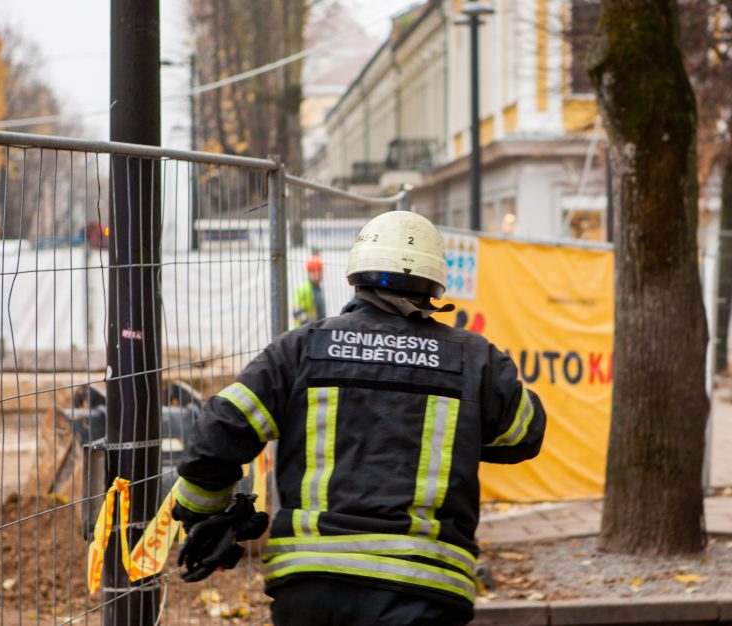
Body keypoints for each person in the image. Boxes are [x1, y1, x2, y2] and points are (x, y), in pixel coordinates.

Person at [173, 210, 546, 625]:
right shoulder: (476, 359)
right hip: (423, 588)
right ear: (435, 284)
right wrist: (463, 424)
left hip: (310, 586)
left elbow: (221, 429)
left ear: (356, 275)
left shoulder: (298, 350)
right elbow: (523, 436)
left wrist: (203, 516)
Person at [293, 251, 326, 325]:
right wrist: (310, 323)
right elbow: (296, 311)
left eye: (321, 271)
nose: (321, 274)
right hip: (304, 331)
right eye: (319, 271)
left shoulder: (318, 288)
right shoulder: (304, 288)